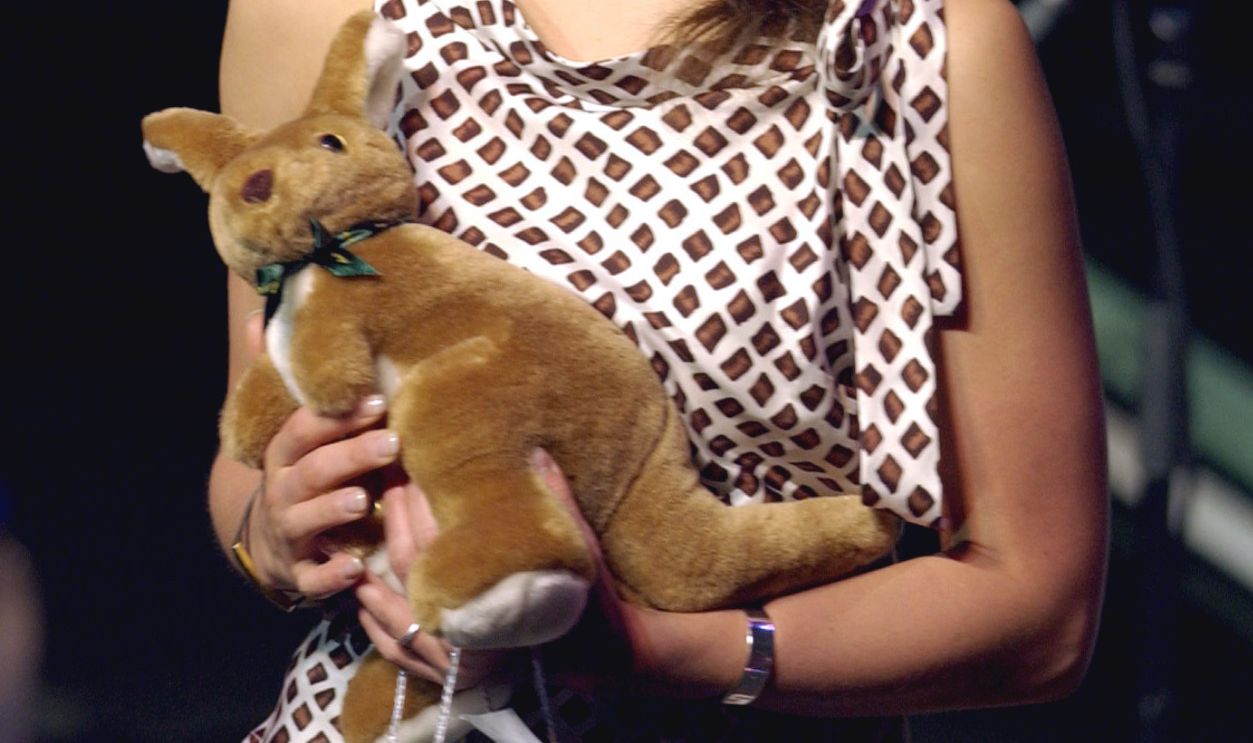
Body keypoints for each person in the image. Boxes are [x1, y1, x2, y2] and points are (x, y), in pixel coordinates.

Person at [209, 0, 1109, 740]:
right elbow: (244, 469)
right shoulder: (320, 15)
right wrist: (278, 534)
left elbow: (1039, 613)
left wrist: (652, 650)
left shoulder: (912, 35)